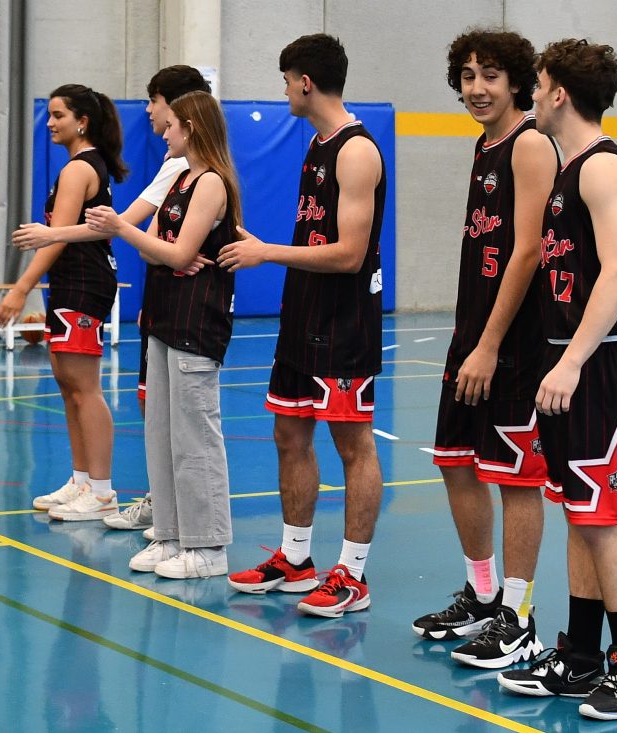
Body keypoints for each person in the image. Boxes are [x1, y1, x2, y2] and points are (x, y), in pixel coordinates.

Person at [497, 39, 617, 721]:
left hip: (602, 365)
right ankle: (582, 655)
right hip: (570, 359)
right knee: (578, 513)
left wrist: (571, 361)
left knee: (602, 518)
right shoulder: (568, 169)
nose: (531, 94)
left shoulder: (604, 167)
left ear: (559, 92)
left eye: (537, 84)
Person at [218, 34, 385, 617]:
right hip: (303, 314)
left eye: (287, 80)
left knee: (353, 444)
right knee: (289, 434)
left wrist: (267, 252)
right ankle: (295, 559)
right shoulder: (317, 143)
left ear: (306, 82)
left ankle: (353, 575)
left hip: (344, 322)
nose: (285, 90)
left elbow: (350, 254)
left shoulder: (356, 151)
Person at [412, 30, 558, 670]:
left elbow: (528, 251)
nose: (477, 88)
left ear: (517, 81)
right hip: (471, 334)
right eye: (468, 76)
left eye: (490, 76)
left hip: (515, 346)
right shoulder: (485, 145)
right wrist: (472, 339)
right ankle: (482, 593)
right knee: (455, 460)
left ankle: (518, 618)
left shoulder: (529, 144)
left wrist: (490, 344)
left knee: (517, 478)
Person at [13, 65, 214, 534]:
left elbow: (121, 226)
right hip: (150, 292)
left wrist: (31, 270)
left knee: (152, 405)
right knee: (109, 392)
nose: (148, 111)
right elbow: (127, 226)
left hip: (116, 288)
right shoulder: (173, 165)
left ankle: (116, 495)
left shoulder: (196, 171)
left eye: (154, 101)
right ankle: (93, 482)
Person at [85, 89, 239, 578]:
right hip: (162, 317)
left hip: (196, 321)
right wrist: (161, 249)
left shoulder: (211, 183)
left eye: (171, 125)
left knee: (195, 437)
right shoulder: (179, 178)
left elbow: (174, 252)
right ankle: (171, 535)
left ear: (190, 127)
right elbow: (155, 248)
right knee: (162, 435)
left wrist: (125, 230)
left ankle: (208, 546)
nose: (164, 131)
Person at [0, 84, 128, 521]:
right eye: (49, 115)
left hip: (85, 284)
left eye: (59, 115)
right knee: (68, 384)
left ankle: (103, 491)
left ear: (82, 122)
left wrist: (21, 289)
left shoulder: (79, 169)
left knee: (85, 388)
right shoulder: (80, 166)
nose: (50, 123)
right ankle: (81, 479)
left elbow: (56, 239)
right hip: (71, 283)